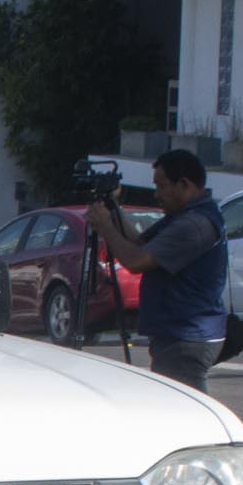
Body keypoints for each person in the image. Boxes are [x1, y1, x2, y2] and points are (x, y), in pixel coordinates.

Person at [86, 148, 228, 390]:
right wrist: (113, 208)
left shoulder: (194, 224)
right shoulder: (185, 215)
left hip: (186, 337)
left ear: (184, 184)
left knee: (180, 414)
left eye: (162, 186)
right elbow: (139, 242)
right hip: (181, 333)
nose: (157, 195)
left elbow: (136, 261)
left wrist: (105, 228)